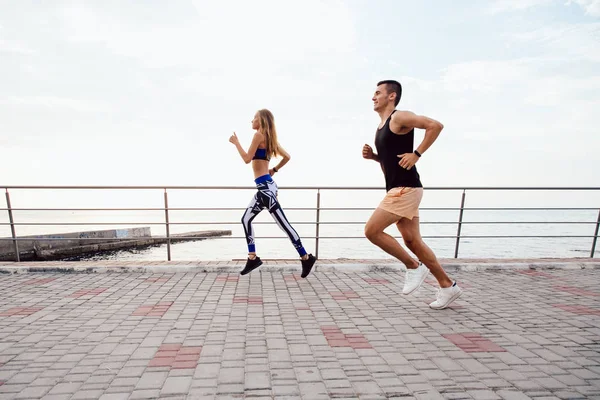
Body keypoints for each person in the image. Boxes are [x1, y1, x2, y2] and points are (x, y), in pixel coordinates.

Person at [362, 80, 462, 309]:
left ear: (391, 96)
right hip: (402, 188)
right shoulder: (382, 126)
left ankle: (413, 266)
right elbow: (391, 163)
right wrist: (375, 158)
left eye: (378, 93)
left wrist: (417, 153)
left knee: (372, 231)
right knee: (413, 241)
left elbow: (435, 125)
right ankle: (448, 286)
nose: (373, 97)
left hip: (405, 189)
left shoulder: (399, 117)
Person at [229, 109, 316, 278]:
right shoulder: (270, 139)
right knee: (246, 219)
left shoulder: (258, 136)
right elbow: (287, 157)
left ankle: (306, 257)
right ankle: (252, 257)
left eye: (254, 118)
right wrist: (274, 169)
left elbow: (247, 159)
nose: (251, 121)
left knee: (284, 225)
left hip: (266, 190)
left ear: (260, 121)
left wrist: (236, 142)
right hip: (266, 187)